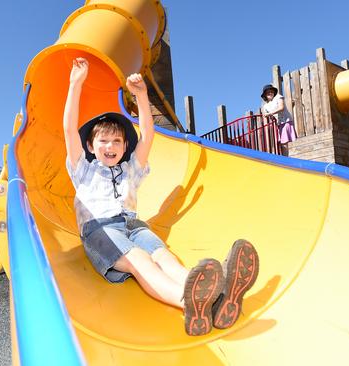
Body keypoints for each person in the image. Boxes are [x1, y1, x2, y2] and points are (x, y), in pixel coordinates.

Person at [63, 57, 260, 336]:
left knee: (166, 259)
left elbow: (148, 136)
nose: (110, 146)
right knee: (141, 261)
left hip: (134, 225)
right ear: (90, 146)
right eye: (103, 141)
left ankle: (218, 298)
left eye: (117, 141)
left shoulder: (130, 168)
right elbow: (69, 129)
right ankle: (190, 302)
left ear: (124, 147)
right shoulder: (83, 169)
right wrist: (75, 84)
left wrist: (142, 95)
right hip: (101, 229)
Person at [260, 84, 296, 155]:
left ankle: (286, 158)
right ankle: (285, 157)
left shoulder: (278, 97)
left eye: (271, 91)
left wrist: (270, 113)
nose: (270, 93)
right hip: (278, 124)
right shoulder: (265, 106)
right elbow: (265, 115)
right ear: (265, 95)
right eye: (267, 92)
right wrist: (267, 115)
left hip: (285, 121)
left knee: (284, 142)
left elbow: (281, 107)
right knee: (281, 143)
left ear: (274, 92)